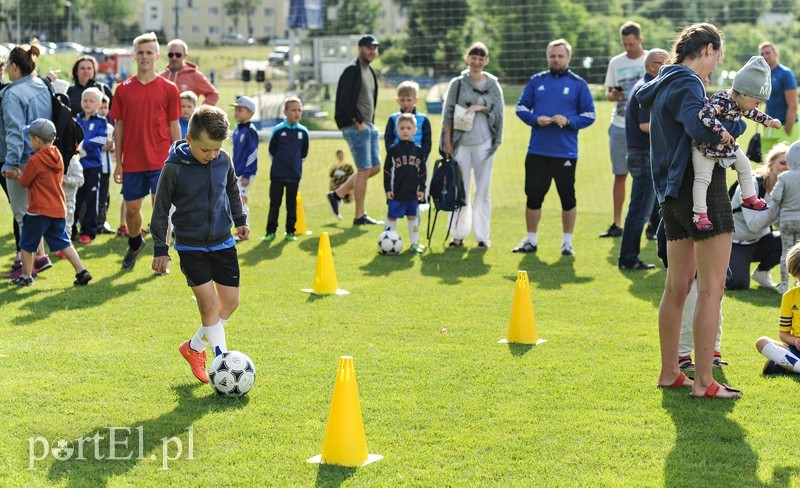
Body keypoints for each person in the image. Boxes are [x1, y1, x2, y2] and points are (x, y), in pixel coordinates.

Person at [636, 23, 743, 398]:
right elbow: (703, 130)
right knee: (711, 289)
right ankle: (703, 381)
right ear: (709, 49)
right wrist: (736, 121)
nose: (714, 66)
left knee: (677, 287)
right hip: (700, 193)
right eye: (717, 57)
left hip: (669, 195)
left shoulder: (663, 79)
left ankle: (670, 373)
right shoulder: (687, 82)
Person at [150, 105, 249, 383]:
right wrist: (161, 248)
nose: (212, 155)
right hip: (191, 246)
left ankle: (194, 347)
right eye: (206, 150)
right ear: (189, 139)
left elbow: (231, 188)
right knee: (208, 306)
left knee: (229, 303)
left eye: (216, 149)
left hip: (223, 242)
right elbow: (161, 208)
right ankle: (223, 363)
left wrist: (240, 219)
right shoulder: (174, 167)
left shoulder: (223, 159)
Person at [513, 38, 595, 256]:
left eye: (560, 56)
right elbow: (520, 107)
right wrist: (535, 119)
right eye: (552, 56)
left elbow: (590, 114)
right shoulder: (536, 81)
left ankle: (566, 243)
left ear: (568, 58)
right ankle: (531, 240)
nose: (556, 59)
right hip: (537, 150)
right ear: (547, 57)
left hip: (565, 152)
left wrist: (569, 121)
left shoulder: (578, 84)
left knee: (567, 199)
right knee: (533, 197)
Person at [109, 32, 182, 270]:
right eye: (140, 52)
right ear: (134, 55)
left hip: (161, 161)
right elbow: (118, 127)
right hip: (132, 161)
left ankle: (163, 255)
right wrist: (118, 162)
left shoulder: (169, 89)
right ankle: (134, 243)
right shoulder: (122, 89)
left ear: (157, 56)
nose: (145, 57)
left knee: (161, 210)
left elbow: (174, 126)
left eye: (149, 52)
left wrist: (178, 159)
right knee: (132, 210)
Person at [691, 56, 778, 232]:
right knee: (702, 178)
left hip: (726, 148)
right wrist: (721, 130)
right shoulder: (722, 100)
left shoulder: (742, 103)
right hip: (704, 148)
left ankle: (749, 197)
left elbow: (753, 113)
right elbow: (704, 114)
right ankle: (699, 213)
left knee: (745, 165)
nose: (757, 106)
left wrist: (769, 122)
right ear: (744, 93)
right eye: (756, 101)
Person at [11, 118, 91, 286]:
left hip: (38, 210)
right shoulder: (58, 155)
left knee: (26, 244)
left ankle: (26, 277)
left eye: (31, 138)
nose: (30, 141)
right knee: (64, 242)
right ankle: (81, 271)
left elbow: (25, 182)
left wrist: (19, 174)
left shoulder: (35, 160)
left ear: (37, 140)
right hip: (57, 207)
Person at [441, 41, 504, 249]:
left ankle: (482, 236)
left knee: (483, 190)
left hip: (484, 143)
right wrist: (447, 141)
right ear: (467, 58)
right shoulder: (457, 84)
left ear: (486, 60)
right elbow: (448, 113)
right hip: (461, 144)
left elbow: (498, 112)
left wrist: (483, 107)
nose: (477, 62)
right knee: (460, 190)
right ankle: (458, 235)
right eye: (473, 57)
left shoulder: (493, 84)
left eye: (481, 58)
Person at [0, 45, 53, 280]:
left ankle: (27, 267)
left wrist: (10, 163)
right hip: (42, 157)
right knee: (31, 212)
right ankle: (39, 259)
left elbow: (15, 132)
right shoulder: (41, 84)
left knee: (23, 216)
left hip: (20, 160)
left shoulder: (13, 93)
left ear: (13, 66)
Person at [618, 49, 668, 270]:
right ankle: (628, 258)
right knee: (639, 210)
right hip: (643, 155)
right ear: (651, 66)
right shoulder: (647, 89)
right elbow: (646, 125)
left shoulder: (646, 86)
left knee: (652, 207)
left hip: (644, 155)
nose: (669, 68)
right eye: (664, 64)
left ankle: (657, 247)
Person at [326, 34, 383, 226]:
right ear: (359, 48)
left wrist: (368, 124)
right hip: (356, 126)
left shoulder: (370, 71)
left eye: (374, 48)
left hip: (368, 126)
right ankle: (360, 216)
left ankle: (338, 194)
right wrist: (357, 122)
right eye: (369, 47)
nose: (372, 51)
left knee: (374, 168)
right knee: (364, 169)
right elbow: (344, 100)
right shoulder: (351, 70)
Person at [601, 21, 647, 239]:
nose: (628, 48)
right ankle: (617, 223)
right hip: (620, 124)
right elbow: (608, 93)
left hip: (645, 127)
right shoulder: (615, 63)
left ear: (640, 40)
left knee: (649, 176)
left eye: (631, 43)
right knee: (620, 175)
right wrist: (614, 95)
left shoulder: (652, 60)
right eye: (625, 44)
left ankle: (650, 224)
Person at [726, 143, 787, 290]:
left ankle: (762, 272)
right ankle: (718, 263)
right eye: (782, 163)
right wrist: (777, 201)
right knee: (738, 284)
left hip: (761, 240)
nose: (787, 168)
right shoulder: (751, 183)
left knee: (794, 240)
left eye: (791, 164)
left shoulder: (787, 187)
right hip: (736, 242)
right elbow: (754, 225)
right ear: (770, 164)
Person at [263, 97, 308, 242]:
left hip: (294, 175)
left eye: (299, 110)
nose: (297, 113)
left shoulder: (303, 132)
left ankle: (290, 231)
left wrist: (294, 166)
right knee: (275, 203)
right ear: (285, 112)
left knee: (291, 205)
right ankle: (271, 231)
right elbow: (271, 151)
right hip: (277, 175)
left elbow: (304, 154)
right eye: (294, 110)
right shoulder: (278, 130)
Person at [384, 113, 427, 254]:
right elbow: (387, 171)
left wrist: (422, 189)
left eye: (409, 128)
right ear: (397, 130)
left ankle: (414, 244)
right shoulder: (393, 150)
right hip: (396, 191)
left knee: (413, 217)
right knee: (392, 216)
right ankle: (387, 242)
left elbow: (422, 172)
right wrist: (387, 189)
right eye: (402, 128)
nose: (405, 131)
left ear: (415, 130)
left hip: (413, 192)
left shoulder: (419, 151)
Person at [756, 242, 800, 375]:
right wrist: (796, 341)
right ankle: (793, 365)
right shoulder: (789, 297)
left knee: (773, 366)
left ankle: (786, 365)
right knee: (761, 342)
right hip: (795, 350)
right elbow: (783, 334)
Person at [73, 87, 108, 244]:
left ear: (99, 104)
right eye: (85, 100)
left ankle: (88, 232)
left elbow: (101, 140)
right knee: (74, 199)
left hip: (93, 167)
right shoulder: (76, 120)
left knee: (91, 199)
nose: (87, 103)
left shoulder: (101, 121)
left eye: (91, 101)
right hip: (76, 167)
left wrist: (83, 145)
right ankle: (71, 229)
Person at [771, 141, 800, 294]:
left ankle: (784, 284)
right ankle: (798, 282)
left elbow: (775, 197)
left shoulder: (784, 177)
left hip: (787, 220)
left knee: (786, 253)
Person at [759, 42, 797, 151]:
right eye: (762, 54)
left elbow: (793, 105)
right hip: (771, 125)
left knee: (783, 163)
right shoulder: (765, 75)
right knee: (766, 162)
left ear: (775, 54)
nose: (765, 56)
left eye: (768, 53)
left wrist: (788, 130)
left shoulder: (785, 74)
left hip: (786, 126)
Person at [384, 80, 432, 167]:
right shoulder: (393, 118)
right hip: (398, 161)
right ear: (398, 100)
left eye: (409, 100)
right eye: (402, 100)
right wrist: (393, 154)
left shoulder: (423, 119)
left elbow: (427, 141)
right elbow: (388, 138)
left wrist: (423, 157)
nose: (405, 103)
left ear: (416, 100)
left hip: (417, 160)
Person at [158, 39, 219, 105]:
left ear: (185, 55)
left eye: (178, 55)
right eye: (171, 55)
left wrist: (199, 112)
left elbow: (213, 94)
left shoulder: (194, 75)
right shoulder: (161, 77)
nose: (174, 58)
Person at [230, 95, 258, 220]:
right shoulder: (237, 130)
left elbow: (253, 153)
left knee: (241, 199)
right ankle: (239, 228)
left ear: (250, 113)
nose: (237, 113)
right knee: (236, 198)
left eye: (240, 110)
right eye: (236, 110)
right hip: (237, 170)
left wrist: (247, 174)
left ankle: (243, 228)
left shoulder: (250, 131)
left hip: (246, 172)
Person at [96, 96, 115, 235]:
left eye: (105, 107)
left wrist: (111, 145)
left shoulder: (110, 127)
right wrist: (101, 145)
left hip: (106, 167)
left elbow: (112, 146)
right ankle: (90, 222)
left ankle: (101, 222)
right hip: (94, 166)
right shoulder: (90, 123)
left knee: (104, 195)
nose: (103, 111)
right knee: (92, 196)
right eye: (100, 107)